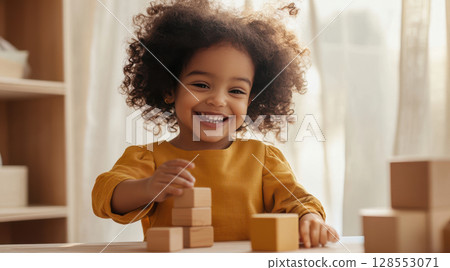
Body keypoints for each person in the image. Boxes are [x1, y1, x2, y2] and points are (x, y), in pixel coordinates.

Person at [92, 0, 339, 248]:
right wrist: (147, 187)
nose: (218, 100)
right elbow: (106, 195)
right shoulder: (149, 158)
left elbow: (297, 200)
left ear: (251, 102)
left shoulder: (263, 158)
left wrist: (310, 217)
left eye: (236, 91)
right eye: (201, 85)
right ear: (169, 89)